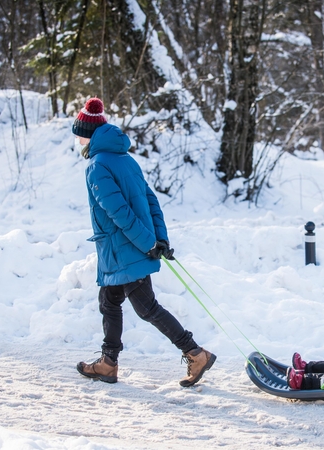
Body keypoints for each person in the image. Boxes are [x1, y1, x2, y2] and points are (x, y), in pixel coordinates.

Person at [72, 97, 216, 387]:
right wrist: (159, 238)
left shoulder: (97, 166)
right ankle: (108, 363)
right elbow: (151, 201)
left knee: (147, 307)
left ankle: (195, 353)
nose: (76, 140)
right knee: (109, 302)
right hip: (126, 247)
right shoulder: (126, 159)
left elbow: (118, 212)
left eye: (77, 134)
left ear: (87, 135)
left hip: (124, 248)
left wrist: (149, 243)